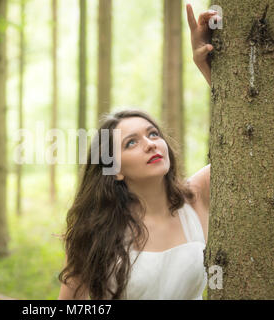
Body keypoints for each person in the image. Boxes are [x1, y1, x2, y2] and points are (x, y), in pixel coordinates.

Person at [57, 4, 219, 300]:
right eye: (131, 142)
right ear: (114, 167)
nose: (150, 143)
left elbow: (264, 144)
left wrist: (208, 69)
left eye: (153, 134)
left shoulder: (197, 198)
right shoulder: (94, 232)